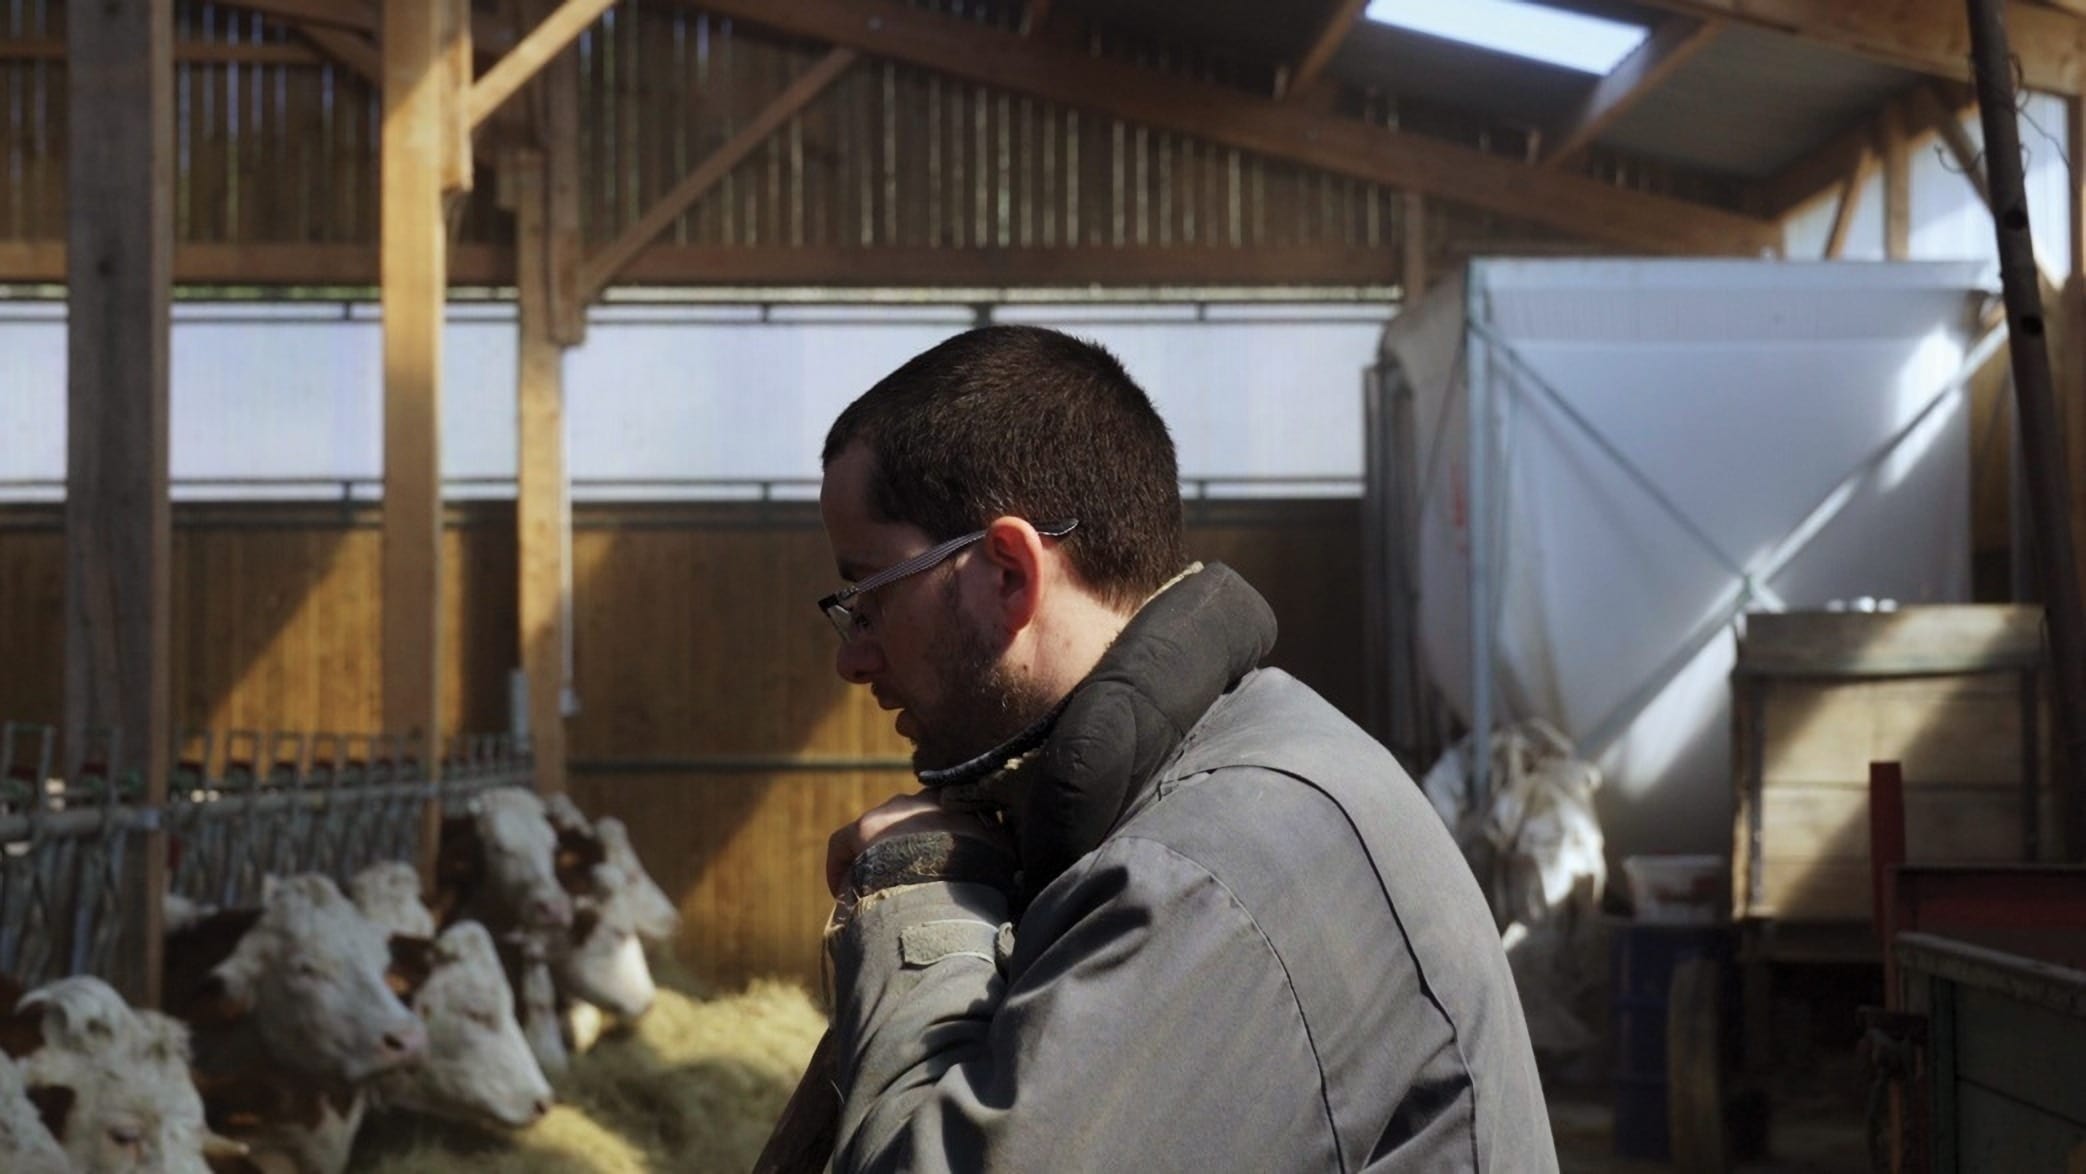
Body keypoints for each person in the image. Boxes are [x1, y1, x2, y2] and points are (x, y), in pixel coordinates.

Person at [814, 324, 1556, 1172]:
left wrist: (923, 896)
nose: (853, 657)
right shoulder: (1235, 770)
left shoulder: (1211, 866)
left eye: (866, 598)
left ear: (1009, 572)